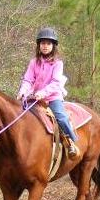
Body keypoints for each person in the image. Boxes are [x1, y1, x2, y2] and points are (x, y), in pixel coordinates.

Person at [16, 27, 80, 157]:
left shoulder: (58, 63)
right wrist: (23, 92)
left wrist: (42, 93)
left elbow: (56, 82)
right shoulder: (34, 62)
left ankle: (71, 142)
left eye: (48, 43)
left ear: (53, 46)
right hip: (34, 97)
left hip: (52, 97)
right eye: (43, 43)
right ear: (39, 45)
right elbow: (28, 79)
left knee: (61, 117)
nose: (45, 46)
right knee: (18, 115)